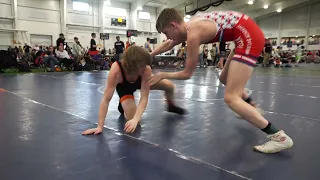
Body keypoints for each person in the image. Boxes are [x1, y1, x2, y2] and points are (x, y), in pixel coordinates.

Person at [148, 8, 293, 153]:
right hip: (244, 33)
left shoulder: (193, 34)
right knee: (224, 78)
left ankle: (279, 137)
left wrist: (162, 75)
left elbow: (187, 74)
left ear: (173, 25)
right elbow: (169, 44)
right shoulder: (188, 26)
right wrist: (149, 54)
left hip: (248, 37)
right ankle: (251, 104)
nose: (167, 37)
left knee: (231, 98)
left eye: (166, 32)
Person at [82, 46, 185, 135]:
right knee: (133, 119)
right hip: (124, 87)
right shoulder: (116, 71)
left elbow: (144, 97)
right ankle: (123, 106)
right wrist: (100, 126)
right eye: (142, 66)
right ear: (133, 65)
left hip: (141, 81)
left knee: (169, 86)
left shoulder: (145, 69)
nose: (146, 67)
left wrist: (136, 119)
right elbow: (106, 100)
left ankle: (170, 105)